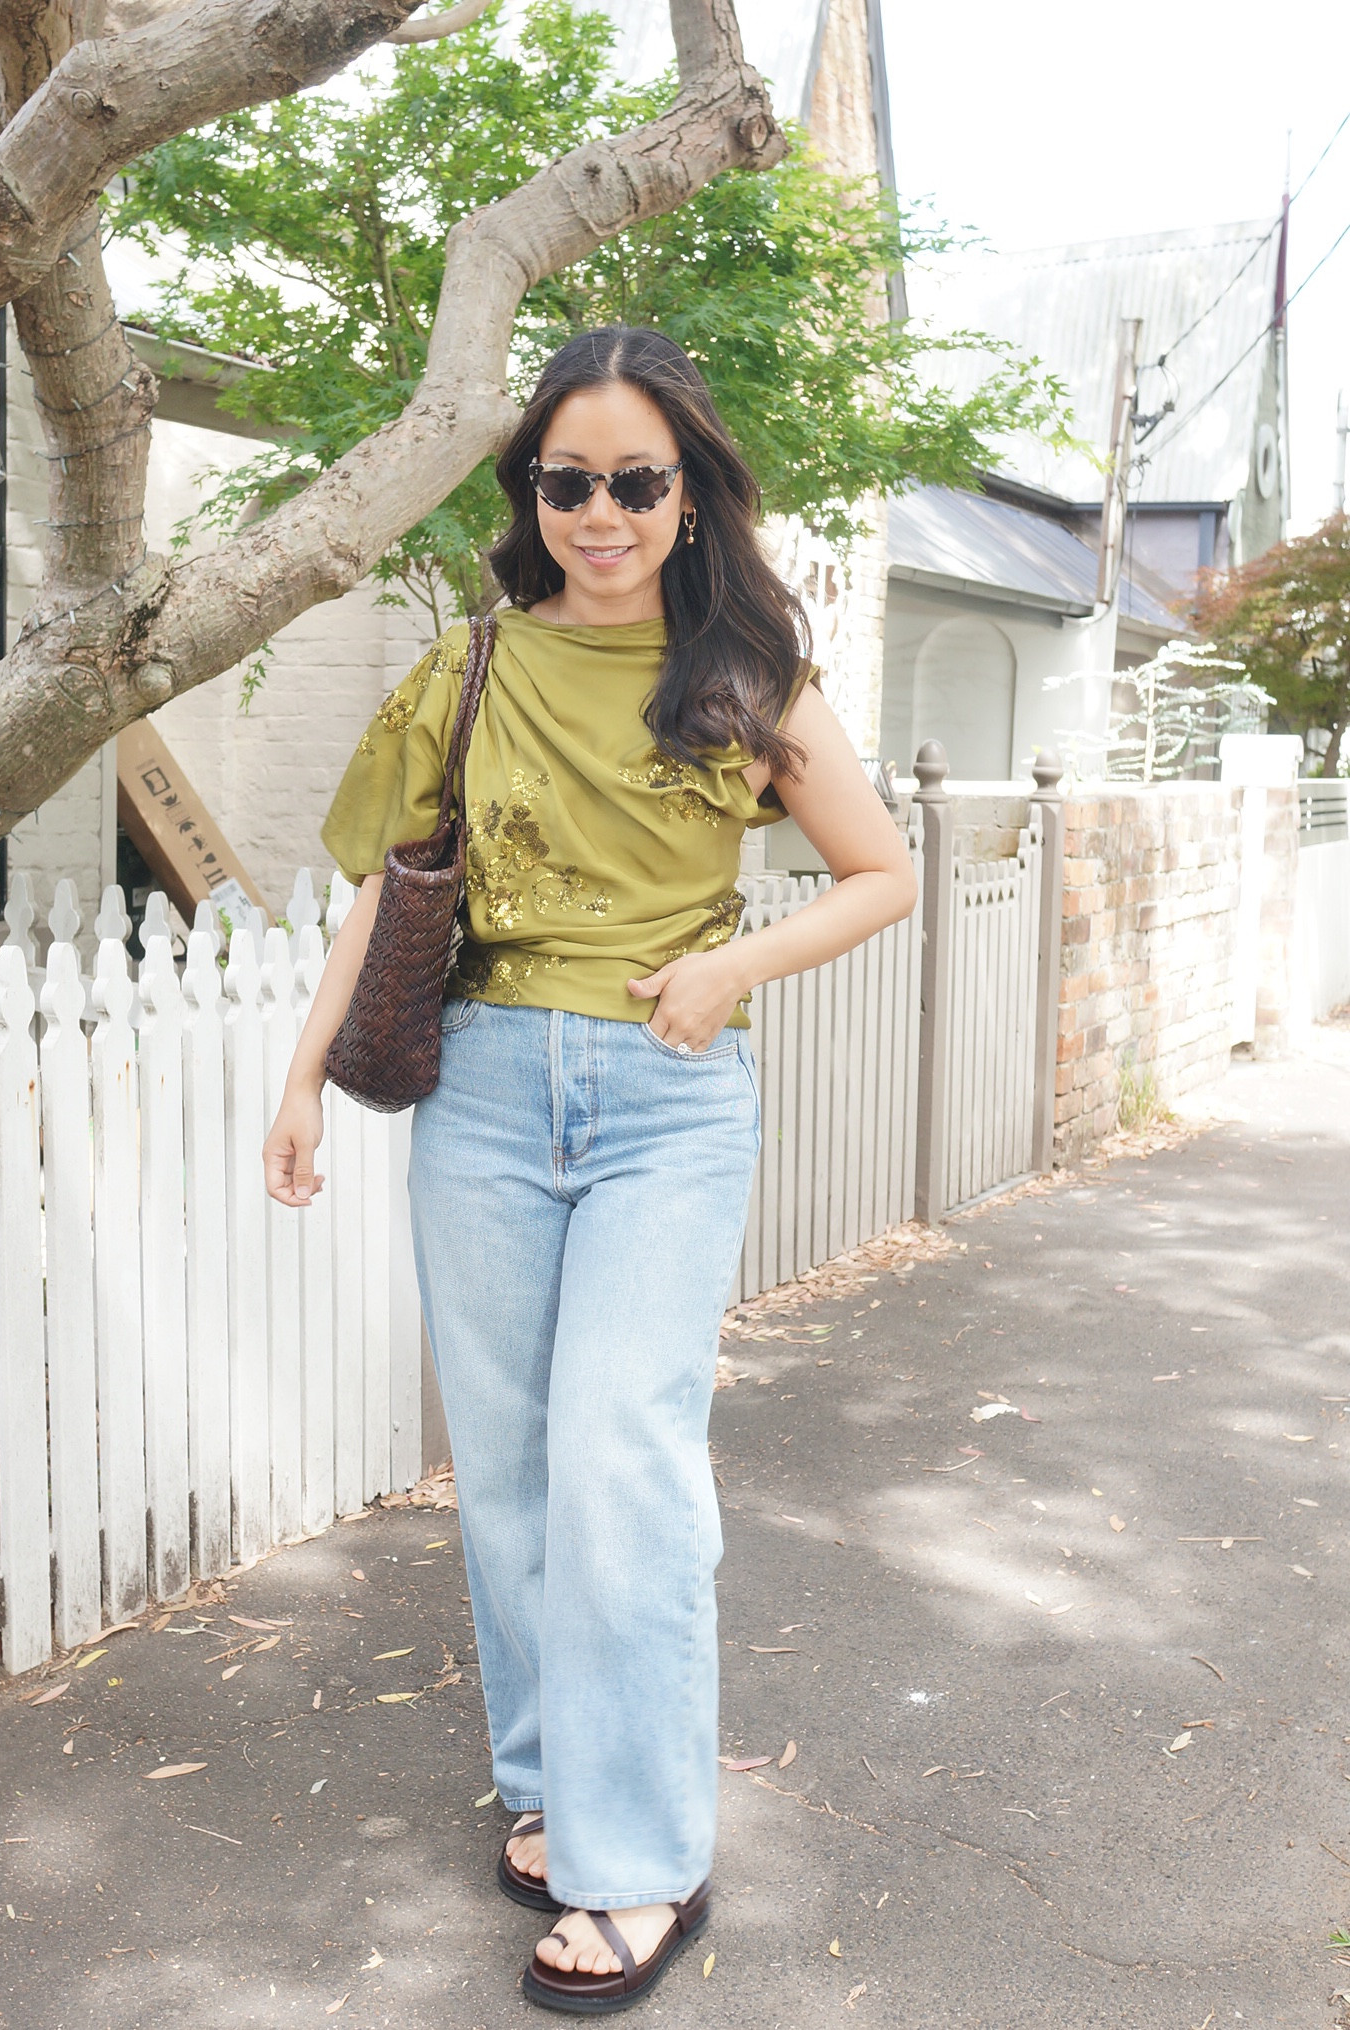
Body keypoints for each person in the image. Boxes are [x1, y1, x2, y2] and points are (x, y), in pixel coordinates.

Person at [264, 326, 916, 2014]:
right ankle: (559, 1788)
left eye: (637, 479)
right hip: (479, 1090)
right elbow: (385, 891)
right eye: (571, 480)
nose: (602, 510)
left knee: (624, 1456)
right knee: (512, 1466)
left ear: (687, 491)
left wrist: (729, 971)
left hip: (665, 1099)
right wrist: (303, 1085)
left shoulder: (745, 677)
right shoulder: (468, 667)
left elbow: (881, 872)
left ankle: (644, 1864)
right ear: (531, 491)